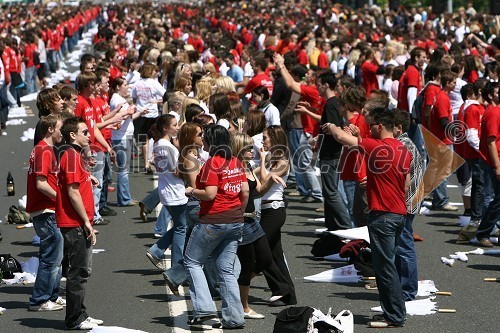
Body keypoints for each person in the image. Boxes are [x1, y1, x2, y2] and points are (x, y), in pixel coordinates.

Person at [322, 107, 411, 328]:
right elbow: (406, 183)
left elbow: (342, 137)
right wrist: (375, 181)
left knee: (385, 269)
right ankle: (395, 311)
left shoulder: (377, 146)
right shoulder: (403, 149)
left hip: (382, 215)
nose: (369, 129)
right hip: (398, 213)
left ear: (380, 126)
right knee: (388, 266)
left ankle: (394, 316)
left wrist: (331, 126)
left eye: (371, 125)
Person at [184, 125, 249, 329]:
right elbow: (245, 191)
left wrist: (192, 191)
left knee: (192, 261)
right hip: (235, 220)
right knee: (226, 270)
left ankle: (204, 307)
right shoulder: (236, 162)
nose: (202, 140)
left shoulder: (213, 163)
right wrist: (238, 212)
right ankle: (235, 317)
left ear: (212, 141)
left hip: (213, 220)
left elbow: (210, 194)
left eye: (204, 137)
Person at [57, 116, 102, 330]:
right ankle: (74, 318)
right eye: (85, 132)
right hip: (74, 222)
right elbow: (72, 191)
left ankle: (80, 313)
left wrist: (88, 178)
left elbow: (75, 182)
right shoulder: (72, 156)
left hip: (77, 222)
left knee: (82, 271)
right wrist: (86, 221)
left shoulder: (74, 155)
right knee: (78, 272)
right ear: (72, 135)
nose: (89, 135)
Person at [232, 133, 281, 319]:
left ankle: (237, 287)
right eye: (248, 148)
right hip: (241, 220)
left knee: (265, 259)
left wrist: (271, 179)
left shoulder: (249, 167)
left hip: (253, 220)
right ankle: (244, 307)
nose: (252, 151)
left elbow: (259, 191)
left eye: (252, 147)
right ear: (239, 149)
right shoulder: (234, 169)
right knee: (247, 263)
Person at [145, 115, 189, 296]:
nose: (177, 128)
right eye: (174, 125)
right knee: (182, 229)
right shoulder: (167, 147)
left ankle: (157, 250)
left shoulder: (158, 144)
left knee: (180, 226)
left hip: (167, 189)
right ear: (165, 129)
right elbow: (177, 171)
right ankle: (176, 270)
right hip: (175, 191)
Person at [27, 114, 65, 312]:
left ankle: (52, 295)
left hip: (47, 209)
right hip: (45, 210)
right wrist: (61, 198)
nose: (62, 132)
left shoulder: (44, 149)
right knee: (51, 258)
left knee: (56, 257)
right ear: (50, 129)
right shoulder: (44, 150)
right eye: (60, 128)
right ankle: (40, 300)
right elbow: (41, 184)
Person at [273, 53, 323, 204]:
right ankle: (309, 191)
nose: (306, 76)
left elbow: (290, 85)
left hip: (304, 131)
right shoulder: (312, 91)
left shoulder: (312, 90)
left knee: (304, 164)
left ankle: (316, 193)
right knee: (301, 163)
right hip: (305, 130)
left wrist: (281, 65)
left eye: (309, 74)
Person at [257, 125, 297, 306]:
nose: (263, 141)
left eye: (265, 137)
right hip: (265, 211)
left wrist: (263, 160)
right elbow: (253, 175)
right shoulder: (271, 160)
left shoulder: (283, 162)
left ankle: (281, 288)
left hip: (275, 210)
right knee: (275, 254)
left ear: (274, 139)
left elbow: (265, 180)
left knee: (260, 250)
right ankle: (289, 295)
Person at [393, 109, 425, 301]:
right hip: (410, 198)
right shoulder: (405, 143)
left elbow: (401, 177)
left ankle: (407, 290)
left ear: (398, 128)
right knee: (401, 244)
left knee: (404, 246)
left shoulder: (403, 145)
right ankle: (402, 285)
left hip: (406, 200)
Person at [427, 70, 459, 211]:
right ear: (447, 83)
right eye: (453, 82)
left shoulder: (441, 96)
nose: (455, 85)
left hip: (439, 138)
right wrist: (456, 130)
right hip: (442, 139)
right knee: (442, 172)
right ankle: (441, 201)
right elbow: (443, 120)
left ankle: (438, 200)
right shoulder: (442, 98)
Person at [110, 77, 144, 207]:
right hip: (121, 137)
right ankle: (124, 199)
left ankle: (126, 197)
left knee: (125, 169)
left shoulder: (120, 99)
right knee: (123, 169)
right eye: (125, 84)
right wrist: (129, 112)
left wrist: (139, 113)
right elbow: (118, 121)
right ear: (118, 87)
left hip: (125, 136)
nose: (128, 87)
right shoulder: (117, 100)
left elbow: (127, 118)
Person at [132, 63, 166, 173]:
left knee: (144, 140)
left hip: (141, 113)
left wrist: (138, 107)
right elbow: (166, 96)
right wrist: (156, 101)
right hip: (152, 114)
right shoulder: (154, 83)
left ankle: (146, 163)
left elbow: (134, 99)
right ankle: (152, 159)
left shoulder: (137, 84)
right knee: (155, 138)